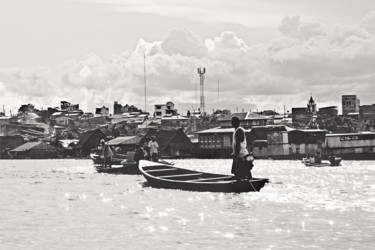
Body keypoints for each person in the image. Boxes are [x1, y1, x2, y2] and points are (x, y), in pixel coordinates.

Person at [231, 116, 252, 181]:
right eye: (232, 122)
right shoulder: (236, 130)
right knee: (240, 172)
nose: (232, 123)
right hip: (240, 154)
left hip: (241, 155)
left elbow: (238, 145)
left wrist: (235, 156)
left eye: (234, 122)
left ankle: (244, 185)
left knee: (240, 172)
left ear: (237, 123)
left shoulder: (239, 131)